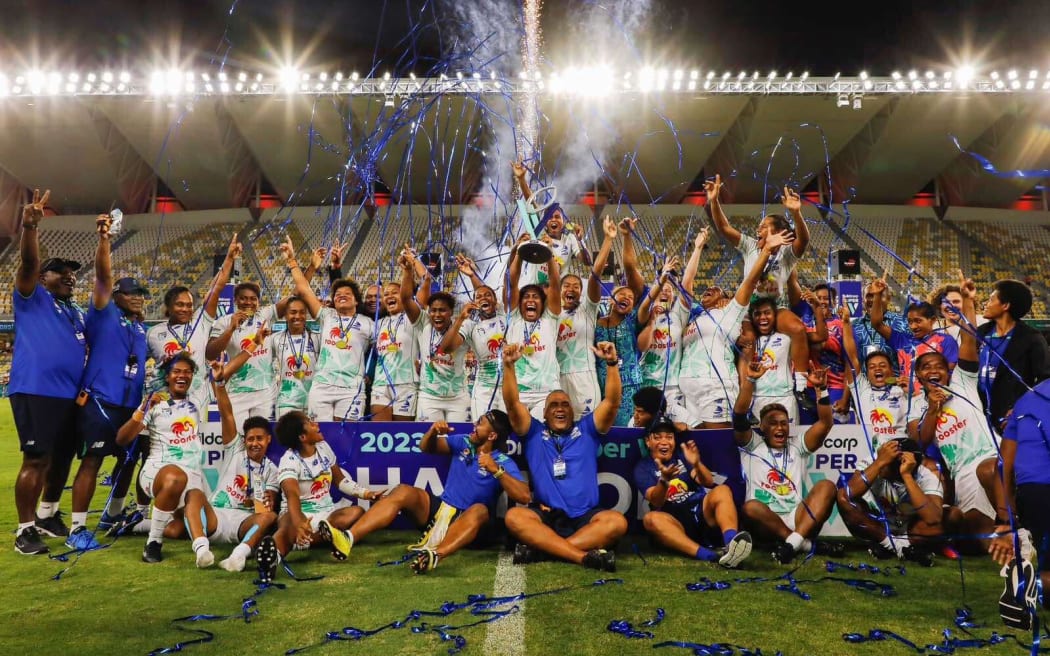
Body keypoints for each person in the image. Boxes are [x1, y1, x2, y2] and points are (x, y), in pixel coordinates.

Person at [337, 411, 530, 573]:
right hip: (441, 512)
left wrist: (496, 470)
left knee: (480, 509)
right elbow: (426, 447)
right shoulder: (463, 443)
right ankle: (348, 537)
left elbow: (523, 496)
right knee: (404, 491)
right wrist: (432, 432)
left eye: (480, 423)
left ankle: (435, 555)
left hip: (471, 525)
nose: (474, 424)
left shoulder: (503, 461)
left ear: (492, 436)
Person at [502, 341, 627, 571]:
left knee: (616, 522)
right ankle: (580, 556)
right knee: (515, 517)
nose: (560, 409)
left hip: (585, 518)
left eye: (565, 405)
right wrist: (508, 366)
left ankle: (543, 550)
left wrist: (611, 364)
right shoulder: (533, 433)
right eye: (554, 406)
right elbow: (512, 404)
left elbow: (612, 402)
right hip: (547, 516)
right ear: (545, 414)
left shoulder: (588, 430)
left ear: (573, 411)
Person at [66, 214, 149, 551]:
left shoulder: (139, 326)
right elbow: (104, 276)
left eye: (142, 294)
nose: (139, 298)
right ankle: (76, 529)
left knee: (128, 460)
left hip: (130, 405)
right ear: (116, 295)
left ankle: (112, 514)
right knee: (93, 461)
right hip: (101, 400)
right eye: (131, 293)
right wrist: (104, 240)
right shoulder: (103, 311)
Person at [908, 271, 1007, 552]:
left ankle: (1014, 526)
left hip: (990, 458)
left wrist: (967, 300)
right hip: (962, 472)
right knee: (978, 536)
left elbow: (968, 340)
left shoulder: (963, 381)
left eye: (938, 365)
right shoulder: (917, 404)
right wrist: (933, 408)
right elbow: (922, 440)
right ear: (918, 376)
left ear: (948, 370)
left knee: (989, 468)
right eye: (926, 367)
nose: (933, 370)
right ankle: (1007, 530)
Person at [10, 189, 86, 555]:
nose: (71, 277)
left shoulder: (74, 310)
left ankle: (47, 514)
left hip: (68, 395)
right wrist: (29, 228)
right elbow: (27, 265)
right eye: (62, 272)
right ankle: (24, 531)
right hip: (37, 389)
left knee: (62, 458)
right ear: (43, 277)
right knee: (36, 458)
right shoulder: (32, 296)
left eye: (73, 274)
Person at [163, 346, 279, 571]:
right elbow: (226, 413)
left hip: (243, 522)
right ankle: (202, 550)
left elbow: (269, 501)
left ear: (268, 441)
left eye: (260, 439)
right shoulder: (236, 448)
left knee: (269, 517)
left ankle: (238, 556)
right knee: (194, 494)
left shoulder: (272, 469)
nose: (254, 443)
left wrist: (263, 502)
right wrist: (220, 383)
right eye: (250, 438)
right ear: (244, 440)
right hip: (215, 515)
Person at [706, 174, 815, 412]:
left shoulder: (786, 253)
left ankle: (800, 386)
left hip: (776, 308)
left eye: (764, 226)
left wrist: (796, 213)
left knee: (797, 329)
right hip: (747, 309)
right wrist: (714, 200)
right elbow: (724, 227)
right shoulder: (749, 245)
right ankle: (743, 397)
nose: (758, 228)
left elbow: (803, 240)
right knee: (747, 342)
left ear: (777, 232)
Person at [734, 347, 841, 563]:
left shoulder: (797, 446)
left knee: (827, 486)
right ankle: (802, 544)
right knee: (751, 506)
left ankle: (791, 545)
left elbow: (825, 423)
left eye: (784, 423)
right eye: (773, 423)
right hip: (766, 521)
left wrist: (821, 389)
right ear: (762, 427)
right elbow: (738, 416)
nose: (780, 427)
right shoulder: (752, 445)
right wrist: (750, 381)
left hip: (799, 517)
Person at [677, 229, 792, 428]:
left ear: (725, 300)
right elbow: (686, 284)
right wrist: (697, 248)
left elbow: (749, 283)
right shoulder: (693, 317)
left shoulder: (730, 313)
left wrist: (765, 252)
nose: (710, 289)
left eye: (717, 290)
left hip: (715, 386)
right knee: (697, 447)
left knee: (717, 446)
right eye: (707, 289)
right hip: (688, 389)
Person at [265, 411, 381, 578]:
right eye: (310, 423)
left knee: (356, 512)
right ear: (302, 437)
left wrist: (367, 493)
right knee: (287, 524)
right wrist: (300, 523)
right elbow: (292, 496)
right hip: (297, 513)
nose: (316, 425)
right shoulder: (288, 461)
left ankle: (312, 538)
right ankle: (271, 558)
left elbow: (340, 481)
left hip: (327, 514)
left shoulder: (323, 447)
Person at [116, 353, 205, 564]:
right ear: (167, 377)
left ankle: (136, 525)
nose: (182, 376)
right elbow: (122, 438)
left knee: (181, 529)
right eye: (176, 372)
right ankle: (153, 542)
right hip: (157, 473)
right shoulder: (155, 403)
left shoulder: (199, 400)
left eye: (187, 372)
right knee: (175, 478)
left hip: (190, 476)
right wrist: (143, 407)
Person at [280, 236, 374, 421]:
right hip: (322, 387)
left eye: (348, 294)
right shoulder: (326, 316)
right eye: (337, 294)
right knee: (320, 434)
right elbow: (303, 288)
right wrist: (292, 260)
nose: (341, 296)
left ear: (356, 300)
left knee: (346, 438)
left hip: (351, 388)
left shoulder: (368, 323)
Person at [635, 419, 753, 567]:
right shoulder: (643, 467)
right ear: (648, 442)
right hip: (673, 521)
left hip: (699, 510)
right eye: (658, 437)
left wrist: (697, 464)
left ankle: (732, 545)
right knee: (651, 519)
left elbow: (708, 481)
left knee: (722, 490)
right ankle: (709, 556)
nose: (664, 442)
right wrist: (664, 480)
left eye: (669, 437)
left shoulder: (682, 456)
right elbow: (656, 501)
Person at [146, 234, 240, 413]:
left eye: (189, 305)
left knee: (190, 438)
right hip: (163, 399)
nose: (185, 309)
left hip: (196, 398)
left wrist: (229, 259)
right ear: (169, 307)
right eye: (179, 305)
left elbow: (216, 288)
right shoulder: (153, 333)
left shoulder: (200, 323)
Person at [992, 379, 1050, 617]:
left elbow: (1001, 466)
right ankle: (1030, 584)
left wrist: (1007, 522)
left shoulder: (1026, 399)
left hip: (1031, 495)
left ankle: (1027, 585)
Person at [836, 437, 942, 565]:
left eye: (886, 465)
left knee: (951, 516)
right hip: (876, 525)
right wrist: (879, 462)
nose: (882, 468)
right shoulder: (877, 460)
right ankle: (897, 547)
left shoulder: (925, 476)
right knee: (843, 498)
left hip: (910, 530)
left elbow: (933, 519)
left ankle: (891, 546)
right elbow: (848, 494)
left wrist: (907, 476)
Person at [556, 217, 618, 417]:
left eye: (576, 286)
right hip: (556, 377)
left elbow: (595, 276)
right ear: (559, 290)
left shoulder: (587, 309)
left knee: (586, 427)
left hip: (584, 375)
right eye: (566, 285)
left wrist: (608, 240)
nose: (571, 288)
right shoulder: (551, 315)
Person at [976, 279, 1050, 431]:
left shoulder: (1031, 338)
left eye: (991, 299)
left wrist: (1021, 407)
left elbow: (1045, 380)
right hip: (978, 413)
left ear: (1005, 305)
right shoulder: (982, 332)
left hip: (1009, 417)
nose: (986, 303)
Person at [594, 218, 647, 425]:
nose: (626, 297)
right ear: (611, 299)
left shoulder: (633, 319)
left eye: (630, 297)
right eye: (621, 294)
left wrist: (627, 236)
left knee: (627, 434)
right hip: (600, 386)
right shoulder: (596, 319)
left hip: (630, 387)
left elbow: (631, 270)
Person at [870, 277, 959, 397]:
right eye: (910, 322)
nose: (913, 326)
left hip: (935, 398)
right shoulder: (901, 340)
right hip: (907, 401)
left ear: (932, 320)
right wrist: (877, 295)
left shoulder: (945, 341)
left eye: (918, 321)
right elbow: (877, 324)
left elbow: (949, 376)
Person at [442, 254, 507, 420]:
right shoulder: (470, 325)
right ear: (474, 303)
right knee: (483, 428)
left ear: (496, 302)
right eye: (478, 297)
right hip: (484, 389)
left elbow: (483, 290)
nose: (483, 298)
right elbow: (447, 348)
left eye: (488, 296)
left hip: (509, 384)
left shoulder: (503, 315)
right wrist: (460, 319)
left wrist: (471, 275)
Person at [506, 233, 562, 418]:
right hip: (517, 392)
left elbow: (554, 285)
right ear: (519, 303)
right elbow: (512, 284)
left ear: (542, 303)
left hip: (546, 393)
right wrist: (521, 252)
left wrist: (550, 252)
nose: (531, 300)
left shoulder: (550, 320)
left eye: (535, 297)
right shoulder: (513, 319)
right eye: (527, 297)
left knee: (541, 438)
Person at [511, 160, 592, 288]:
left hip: (556, 294)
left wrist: (580, 240)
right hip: (535, 292)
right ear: (545, 222)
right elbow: (532, 204)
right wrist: (521, 179)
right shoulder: (539, 234)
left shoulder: (570, 239)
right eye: (549, 217)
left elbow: (587, 262)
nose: (553, 220)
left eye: (557, 217)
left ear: (563, 222)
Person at [370, 254, 428, 421]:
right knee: (379, 434)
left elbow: (425, 284)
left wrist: (410, 266)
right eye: (385, 294)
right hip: (380, 384)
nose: (388, 296)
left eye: (394, 292)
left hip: (406, 383)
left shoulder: (414, 318)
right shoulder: (378, 324)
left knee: (402, 433)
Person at [272, 296, 321, 417]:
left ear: (307, 315)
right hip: (286, 401)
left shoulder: (317, 338)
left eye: (302, 312)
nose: (298, 316)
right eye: (293, 312)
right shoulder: (275, 339)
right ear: (285, 315)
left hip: (314, 400)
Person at [852, 275, 909, 374]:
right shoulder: (854, 326)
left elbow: (909, 356)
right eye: (869, 296)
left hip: (895, 385)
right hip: (864, 386)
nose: (874, 300)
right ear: (863, 300)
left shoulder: (903, 323)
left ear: (888, 298)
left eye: (878, 295)